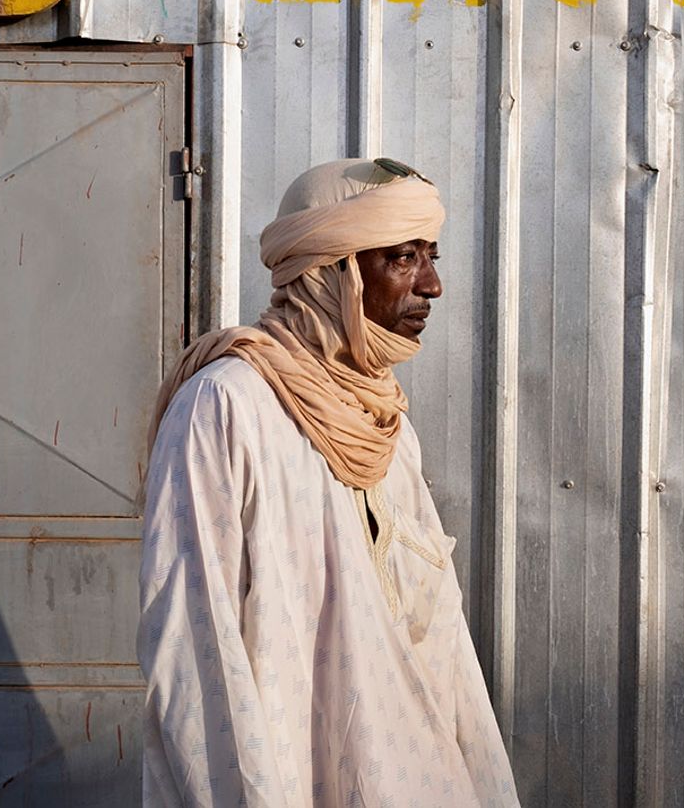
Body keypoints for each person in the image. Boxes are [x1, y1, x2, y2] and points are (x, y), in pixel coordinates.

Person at [139, 157, 519, 806]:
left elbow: (443, 641)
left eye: (432, 256)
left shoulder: (384, 423)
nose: (433, 285)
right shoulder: (228, 409)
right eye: (404, 257)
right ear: (330, 270)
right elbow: (198, 658)